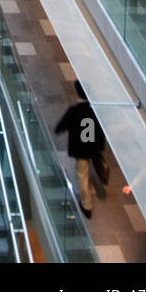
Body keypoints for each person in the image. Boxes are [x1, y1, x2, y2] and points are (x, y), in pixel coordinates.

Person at [55, 80, 108, 220]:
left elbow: (60, 127)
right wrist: (100, 147)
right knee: (88, 169)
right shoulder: (94, 111)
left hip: (81, 149)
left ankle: (87, 206)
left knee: (82, 176)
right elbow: (100, 131)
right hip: (93, 147)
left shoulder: (74, 111)